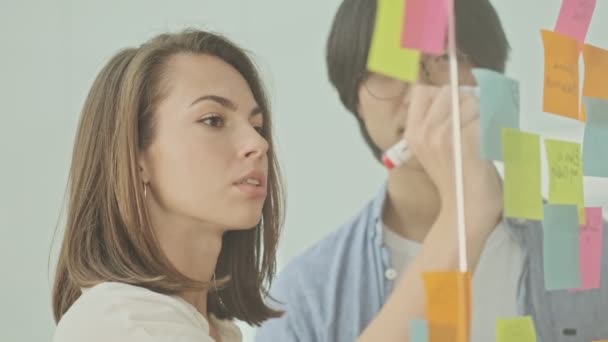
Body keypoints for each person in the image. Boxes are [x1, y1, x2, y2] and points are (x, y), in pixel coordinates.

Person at [255, 0, 608, 341]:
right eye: (389, 69)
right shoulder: (305, 296)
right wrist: (466, 212)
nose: (420, 95)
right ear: (355, 99)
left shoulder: (592, 249)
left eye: (445, 59)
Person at [52, 29, 284, 342]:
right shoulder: (120, 325)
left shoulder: (217, 331)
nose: (258, 143)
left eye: (257, 126)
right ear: (136, 158)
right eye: (213, 120)